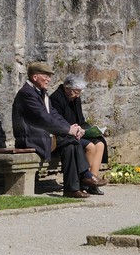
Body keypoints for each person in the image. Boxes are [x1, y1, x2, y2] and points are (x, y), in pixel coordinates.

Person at [12, 61, 98, 198]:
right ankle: (85, 175)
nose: (49, 79)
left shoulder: (41, 93)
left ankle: (71, 189)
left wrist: (70, 128)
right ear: (35, 77)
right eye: (46, 76)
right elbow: (43, 118)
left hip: (43, 136)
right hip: (31, 138)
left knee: (70, 146)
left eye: (49, 76)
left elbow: (54, 115)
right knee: (70, 139)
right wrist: (69, 130)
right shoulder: (27, 94)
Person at [51, 74, 107, 194]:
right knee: (90, 146)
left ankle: (93, 181)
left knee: (100, 143)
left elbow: (80, 119)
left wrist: (87, 130)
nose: (78, 95)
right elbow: (59, 122)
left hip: (78, 132)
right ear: (67, 88)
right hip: (66, 135)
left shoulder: (76, 99)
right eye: (76, 92)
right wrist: (75, 130)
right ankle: (84, 181)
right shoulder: (56, 99)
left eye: (79, 92)